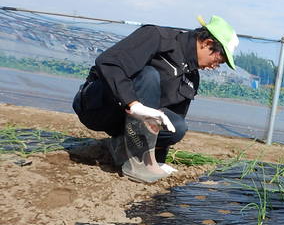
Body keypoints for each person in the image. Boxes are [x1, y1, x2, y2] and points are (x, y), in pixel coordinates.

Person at [73, 15, 239, 183]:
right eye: (219, 60)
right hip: (96, 105)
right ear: (207, 43)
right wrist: (133, 103)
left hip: (124, 124)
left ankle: (125, 149)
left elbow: (171, 116)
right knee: (149, 75)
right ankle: (136, 162)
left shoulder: (191, 78)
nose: (215, 66)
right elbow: (108, 63)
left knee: (178, 127)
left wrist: (157, 161)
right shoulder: (158, 37)